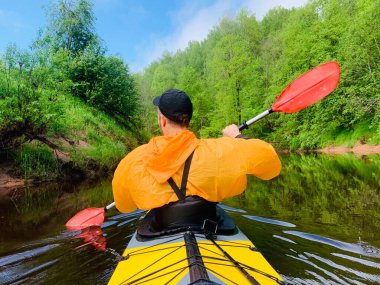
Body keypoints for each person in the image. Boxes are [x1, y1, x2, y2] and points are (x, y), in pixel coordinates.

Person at [112, 89, 281, 224]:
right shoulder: (218, 149)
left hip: (162, 227)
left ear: (162, 120)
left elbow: (124, 206)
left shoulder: (134, 160)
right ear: (188, 120)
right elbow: (272, 165)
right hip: (208, 224)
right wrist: (237, 137)